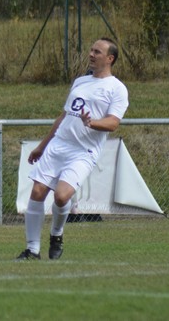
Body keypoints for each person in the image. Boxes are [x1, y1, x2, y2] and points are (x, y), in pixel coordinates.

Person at [16, 37, 129, 260]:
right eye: (91, 50)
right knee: (37, 192)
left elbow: (113, 123)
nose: (91, 54)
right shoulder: (80, 82)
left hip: (83, 152)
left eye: (97, 52)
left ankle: (56, 234)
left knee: (61, 196)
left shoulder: (117, 89)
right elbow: (64, 117)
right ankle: (32, 250)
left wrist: (92, 123)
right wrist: (42, 146)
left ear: (110, 58)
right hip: (59, 145)